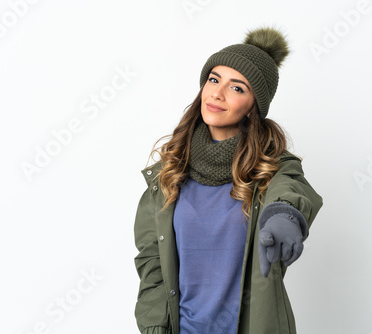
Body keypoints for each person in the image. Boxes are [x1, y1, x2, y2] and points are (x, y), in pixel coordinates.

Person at [133, 26, 323, 334]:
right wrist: (155, 324)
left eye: (237, 88)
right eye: (214, 79)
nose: (218, 94)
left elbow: (290, 189)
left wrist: (284, 215)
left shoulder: (270, 170)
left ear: (253, 106)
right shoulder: (168, 174)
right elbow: (152, 260)